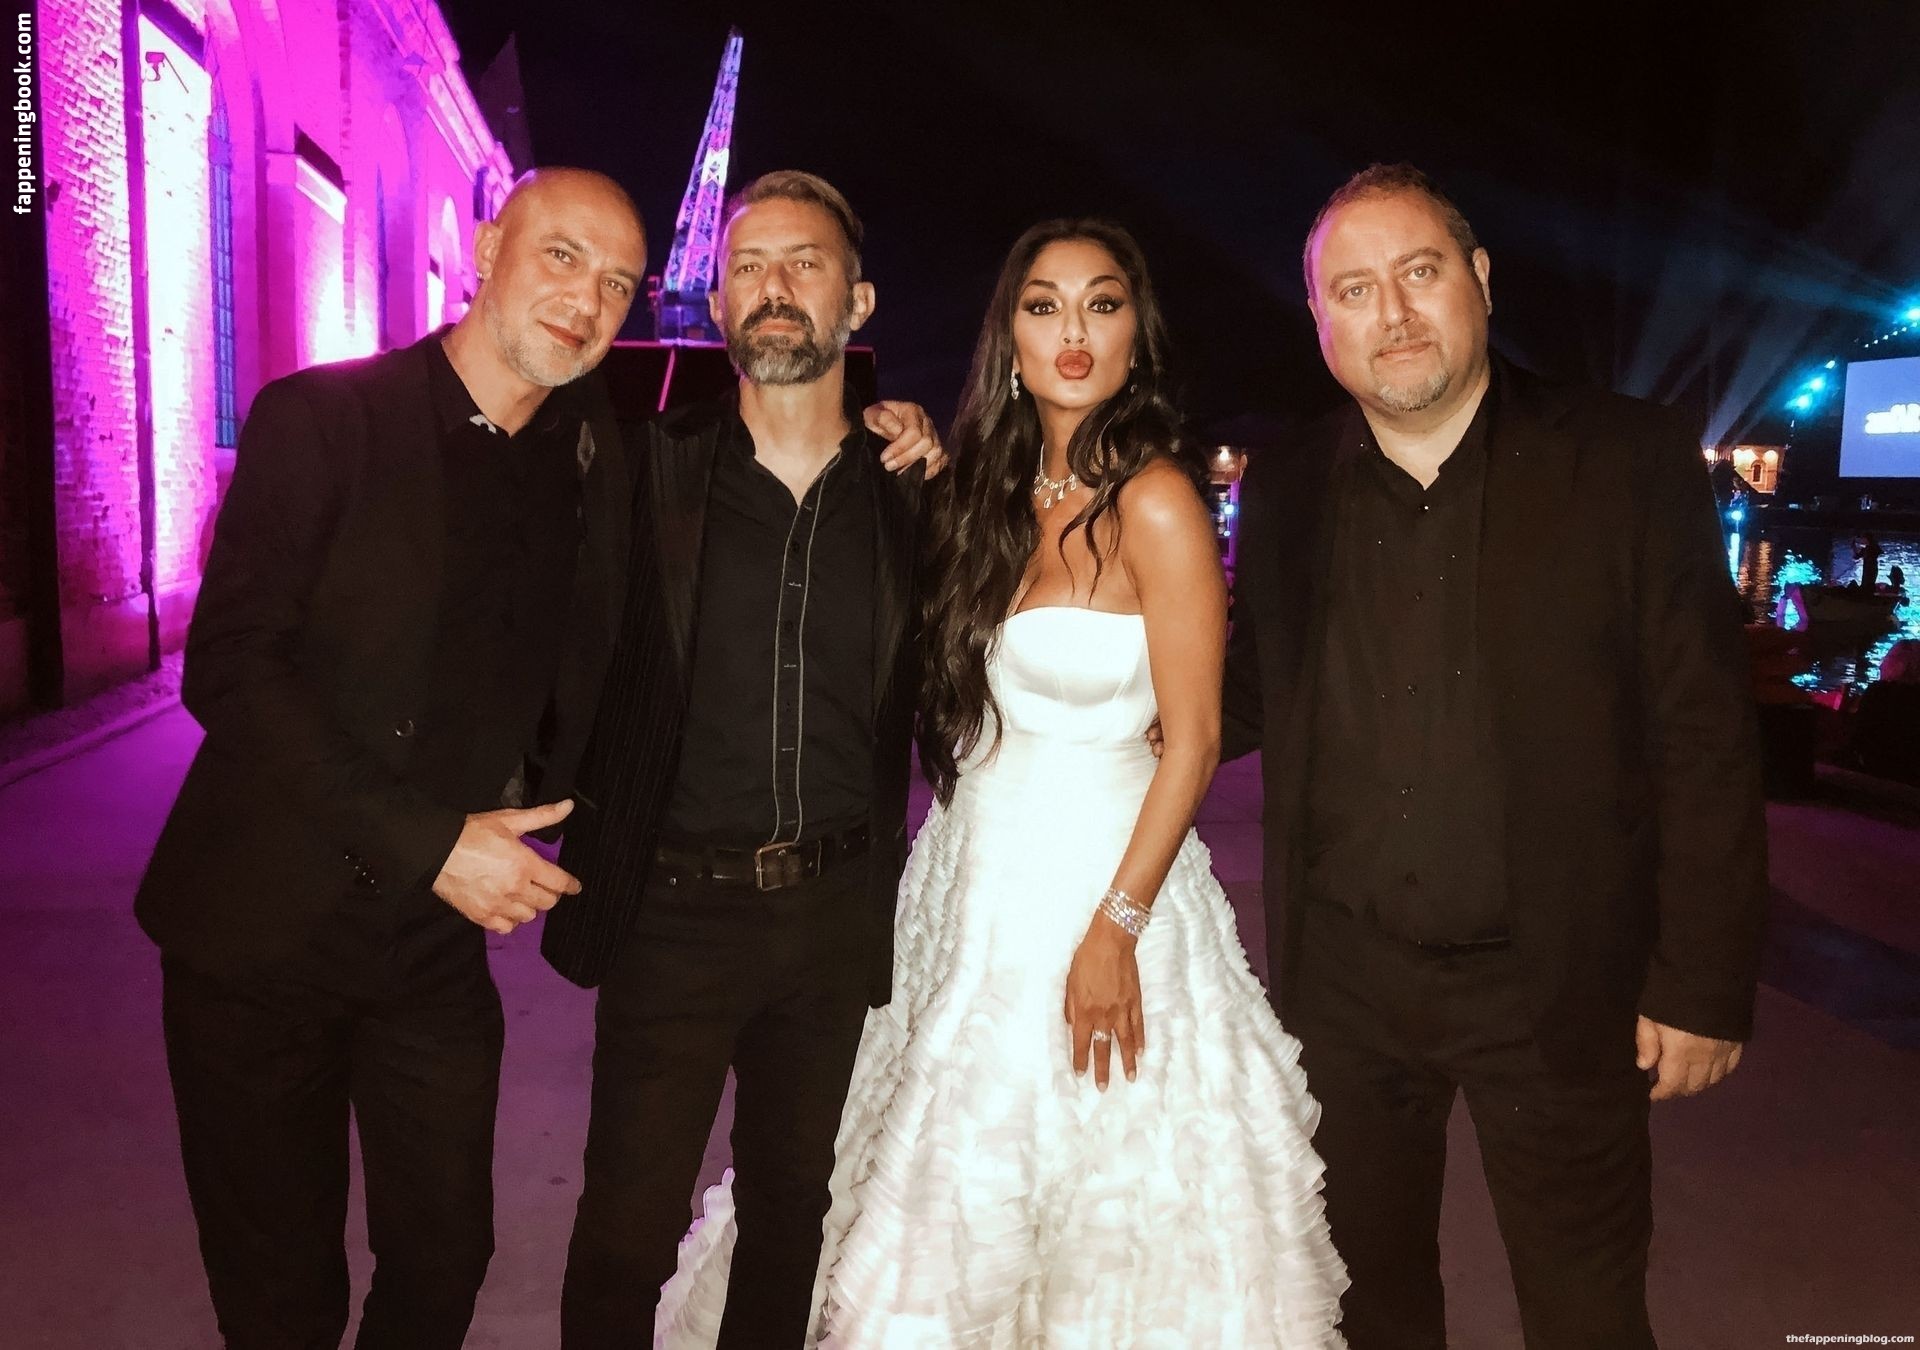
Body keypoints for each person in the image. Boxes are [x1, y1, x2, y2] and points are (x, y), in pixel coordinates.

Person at [137, 165, 939, 1350]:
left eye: (616, 283)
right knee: (282, 1289)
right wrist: (435, 841)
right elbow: (232, 668)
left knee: (444, 1259)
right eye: (563, 257)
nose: (587, 298)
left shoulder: (595, 452)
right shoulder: (327, 418)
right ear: (485, 249)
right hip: (262, 927)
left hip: (432, 949)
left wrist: (901, 426)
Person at [649, 219, 1349, 1347]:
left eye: (1102, 304)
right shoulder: (987, 492)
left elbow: (1197, 741)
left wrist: (1116, 928)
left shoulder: (1156, 499)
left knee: (1091, 1190)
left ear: (1136, 335)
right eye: (1043, 305)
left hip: (1102, 884)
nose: (1074, 331)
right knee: (924, 1169)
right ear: (1009, 338)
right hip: (968, 878)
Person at [1222, 163, 1768, 1348]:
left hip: (1556, 977)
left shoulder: (1624, 459)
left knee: (1586, 1310)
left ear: (1477, 279)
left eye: (1419, 272)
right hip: (1347, 985)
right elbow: (1245, 690)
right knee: (1367, 1303)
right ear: (1321, 321)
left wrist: (1703, 981)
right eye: (1354, 290)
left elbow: (1707, 736)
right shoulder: (1292, 484)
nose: (1392, 312)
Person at [546, 171, 939, 1349]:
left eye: (805, 263)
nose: (776, 286)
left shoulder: (914, 493)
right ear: (716, 304)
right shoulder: (645, 466)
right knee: (625, 1228)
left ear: (856, 301)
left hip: (831, 913)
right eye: (750, 267)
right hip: (671, 909)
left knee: (789, 1214)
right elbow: (551, 645)